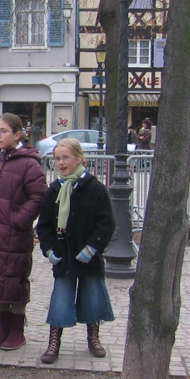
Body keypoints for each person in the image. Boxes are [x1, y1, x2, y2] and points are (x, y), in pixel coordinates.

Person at [0, 112, 47, 350]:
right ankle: (2, 329)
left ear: (17, 135)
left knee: (14, 280)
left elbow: (38, 196)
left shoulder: (29, 164)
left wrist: (19, 220)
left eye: (3, 131)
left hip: (14, 235)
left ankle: (16, 331)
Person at [36, 138, 115, 363]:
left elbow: (106, 223)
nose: (60, 163)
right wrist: (49, 249)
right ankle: (54, 342)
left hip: (88, 255)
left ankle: (93, 337)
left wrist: (92, 247)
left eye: (65, 158)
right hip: (64, 255)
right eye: (57, 159)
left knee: (92, 296)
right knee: (61, 298)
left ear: (79, 159)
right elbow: (44, 225)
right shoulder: (54, 190)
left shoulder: (95, 188)